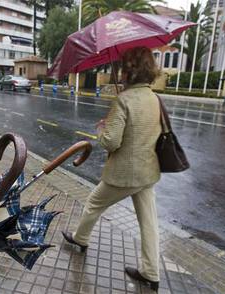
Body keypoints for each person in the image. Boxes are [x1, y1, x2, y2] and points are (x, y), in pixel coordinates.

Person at [62, 46, 162, 292]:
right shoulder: (155, 99)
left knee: (94, 203)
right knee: (148, 222)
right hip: (148, 172)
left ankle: (80, 239)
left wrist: (101, 129)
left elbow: (111, 141)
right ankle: (150, 273)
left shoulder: (124, 100)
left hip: (124, 173)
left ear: (128, 70)